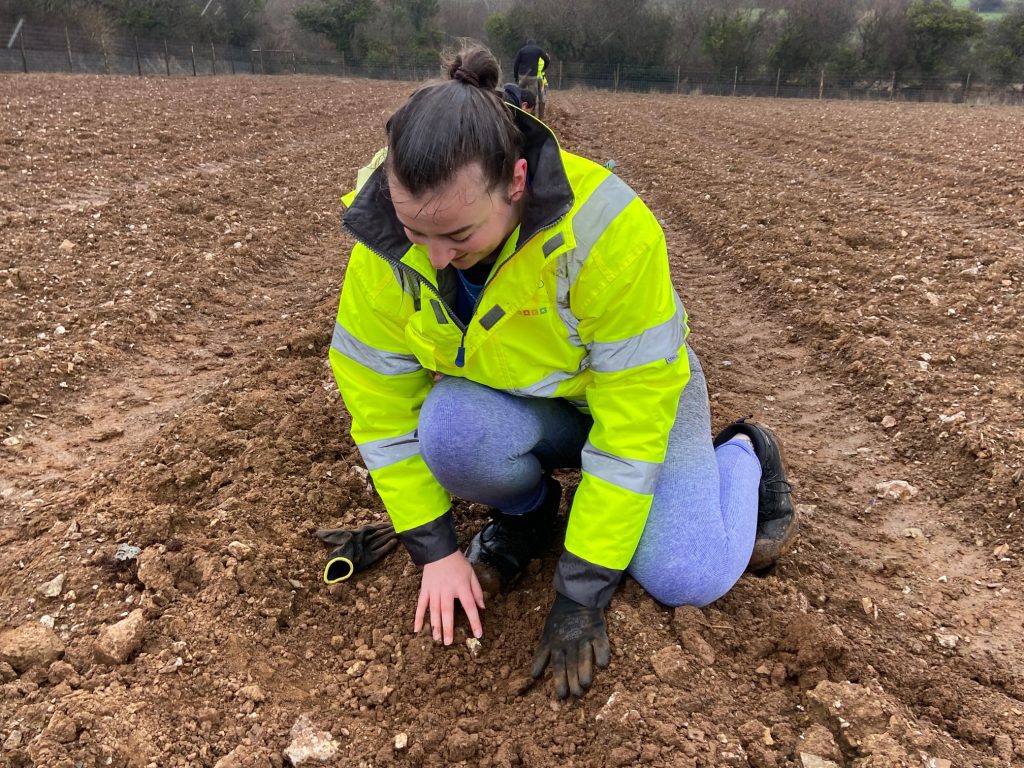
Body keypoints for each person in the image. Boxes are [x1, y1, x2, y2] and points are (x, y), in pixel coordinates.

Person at [330, 43, 797, 699]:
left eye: (459, 236)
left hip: (638, 399)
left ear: (516, 184)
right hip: (528, 400)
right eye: (415, 233)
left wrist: (582, 591)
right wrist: (435, 553)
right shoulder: (385, 240)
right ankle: (528, 517)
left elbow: (629, 430)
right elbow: (380, 408)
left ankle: (745, 453)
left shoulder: (608, 232)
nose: (433, 259)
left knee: (687, 575)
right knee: (451, 430)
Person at [513, 39, 549, 119]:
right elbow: (547, 60)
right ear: (534, 44)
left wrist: (516, 76)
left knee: (519, 95)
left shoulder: (522, 51)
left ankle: (518, 114)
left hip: (522, 75)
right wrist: (544, 68)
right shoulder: (538, 50)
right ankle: (532, 117)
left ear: (527, 44)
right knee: (533, 97)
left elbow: (516, 64)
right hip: (533, 76)